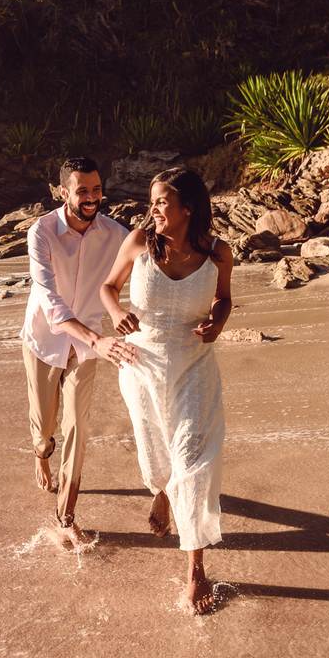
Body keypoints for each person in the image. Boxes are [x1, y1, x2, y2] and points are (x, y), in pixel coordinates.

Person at [100, 167, 233, 614]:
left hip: (194, 363)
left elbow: (223, 298)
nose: (152, 208)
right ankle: (161, 490)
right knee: (155, 447)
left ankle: (195, 570)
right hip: (141, 364)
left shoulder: (218, 252)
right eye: (152, 200)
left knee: (192, 459)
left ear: (188, 208)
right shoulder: (139, 241)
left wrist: (217, 322)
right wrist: (115, 313)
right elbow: (108, 287)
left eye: (161, 201)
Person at [20, 157, 133, 546]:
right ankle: (41, 453)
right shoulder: (41, 232)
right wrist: (97, 340)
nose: (91, 198)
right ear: (62, 192)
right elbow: (49, 300)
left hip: (86, 347)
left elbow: (152, 261)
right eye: (82, 190)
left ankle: (66, 517)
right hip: (44, 340)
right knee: (44, 428)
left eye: (97, 189)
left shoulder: (116, 234)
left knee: (78, 428)